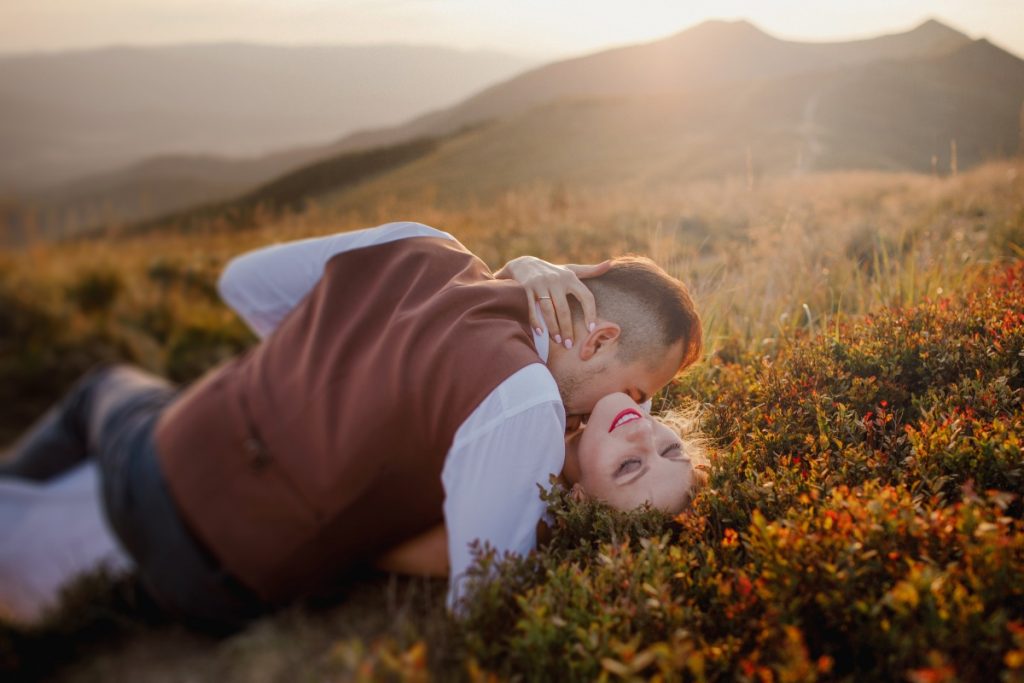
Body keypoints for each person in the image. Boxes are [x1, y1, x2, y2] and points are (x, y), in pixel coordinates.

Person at [0, 221, 703, 629]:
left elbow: (243, 282)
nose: (633, 412)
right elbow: (481, 598)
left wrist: (323, 378)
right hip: (210, 564)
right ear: (597, 338)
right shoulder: (524, 402)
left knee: (103, 389)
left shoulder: (422, 242)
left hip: (172, 454)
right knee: (103, 395)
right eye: (637, 390)